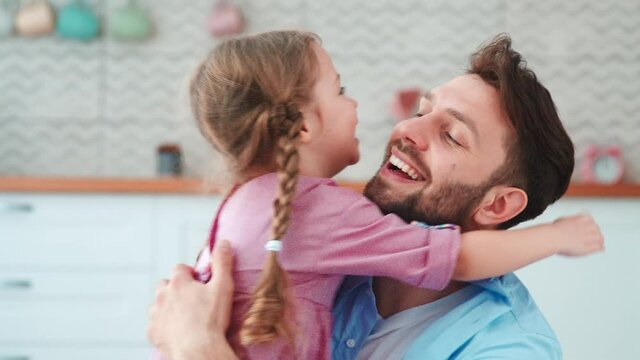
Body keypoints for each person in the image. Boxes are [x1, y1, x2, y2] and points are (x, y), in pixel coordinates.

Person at [148, 32, 604, 359]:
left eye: (451, 135)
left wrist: (199, 352)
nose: (407, 130)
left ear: (498, 205)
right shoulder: (312, 242)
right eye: (421, 111)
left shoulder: (508, 348)